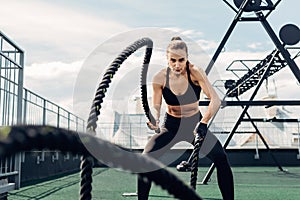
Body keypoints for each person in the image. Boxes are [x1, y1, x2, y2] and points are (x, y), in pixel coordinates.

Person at [137, 36, 234, 200]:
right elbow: (156, 105)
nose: (177, 64)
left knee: (221, 158)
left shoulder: (196, 72)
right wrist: (155, 119)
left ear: (187, 58)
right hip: (171, 126)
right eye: (173, 60)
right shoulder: (160, 78)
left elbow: (215, 100)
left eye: (181, 60)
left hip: (194, 125)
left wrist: (203, 123)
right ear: (167, 59)